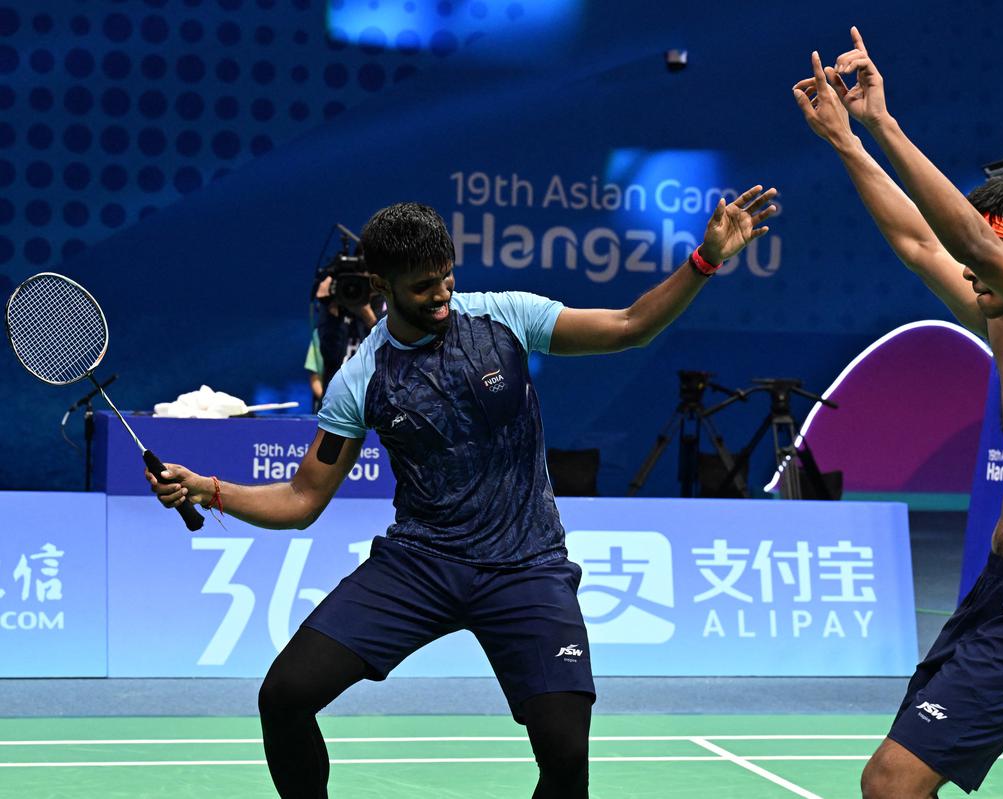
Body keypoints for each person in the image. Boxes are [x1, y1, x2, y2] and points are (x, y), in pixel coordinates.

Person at [146, 192, 776, 798]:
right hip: (420, 565)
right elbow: (301, 500)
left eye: (446, 276)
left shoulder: (503, 317)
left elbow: (629, 326)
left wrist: (704, 261)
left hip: (527, 566)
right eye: (423, 286)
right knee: (283, 697)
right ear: (383, 285)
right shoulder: (360, 378)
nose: (442, 294)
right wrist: (211, 489)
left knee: (567, 757)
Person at [794, 29, 1003, 798]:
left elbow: (966, 238)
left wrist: (884, 122)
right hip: (999, 587)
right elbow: (917, 240)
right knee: (899, 780)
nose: (972, 271)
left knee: (891, 781)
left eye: (994, 258)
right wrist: (845, 140)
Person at [305, 275, 384, 412]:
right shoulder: (324, 331)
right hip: (333, 410)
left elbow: (390, 352)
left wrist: (366, 313)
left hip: (370, 410)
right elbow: (315, 378)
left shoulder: (382, 324)